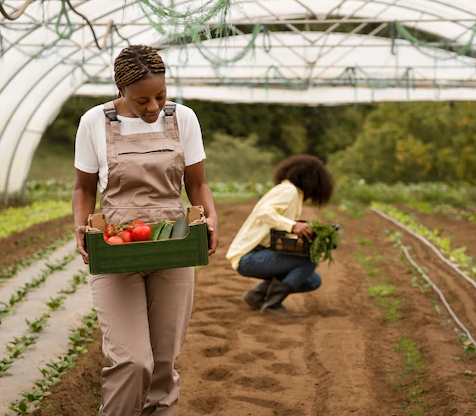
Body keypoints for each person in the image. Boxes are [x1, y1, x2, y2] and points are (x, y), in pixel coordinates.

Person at [72, 45, 219, 416]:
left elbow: (197, 184)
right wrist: (80, 224)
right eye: (142, 100)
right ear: (120, 89)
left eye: (161, 95)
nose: (154, 107)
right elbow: (84, 188)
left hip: (174, 246)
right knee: (132, 361)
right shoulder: (95, 121)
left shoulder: (183, 118)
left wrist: (211, 219)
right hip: (117, 246)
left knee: (164, 362)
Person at [226, 155, 334, 316]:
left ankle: (256, 295)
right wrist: (292, 225)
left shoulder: (291, 192)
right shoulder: (288, 191)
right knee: (308, 259)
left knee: (313, 280)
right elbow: (264, 212)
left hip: (256, 254)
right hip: (248, 257)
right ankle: (272, 306)